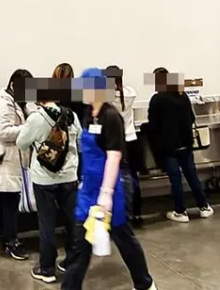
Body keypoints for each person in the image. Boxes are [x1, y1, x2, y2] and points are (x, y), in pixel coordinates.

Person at [61, 68, 156, 290]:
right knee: (80, 244)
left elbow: (114, 156)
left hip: (111, 187)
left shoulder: (111, 117)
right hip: (88, 189)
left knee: (123, 237)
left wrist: (106, 194)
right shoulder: (88, 114)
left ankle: (144, 283)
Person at [16, 86, 81, 283]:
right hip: (69, 177)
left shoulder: (36, 118)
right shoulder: (71, 116)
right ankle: (72, 262)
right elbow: (79, 140)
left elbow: (21, 143)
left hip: (44, 179)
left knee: (47, 224)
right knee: (72, 222)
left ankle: (47, 269)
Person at [148, 68, 213, 222]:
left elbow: (153, 124)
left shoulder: (157, 99)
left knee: (175, 179)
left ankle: (180, 211)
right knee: (192, 175)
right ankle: (203, 207)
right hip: (186, 144)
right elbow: (191, 118)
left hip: (169, 147)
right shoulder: (182, 96)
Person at [0, 69, 30, 261]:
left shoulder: (15, 101)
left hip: (9, 158)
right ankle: (10, 241)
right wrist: (28, 128)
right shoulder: (4, 103)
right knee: (10, 201)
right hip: (5, 158)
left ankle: (0, 237)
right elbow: (4, 132)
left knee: (6, 201)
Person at [107, 65, 144, 227]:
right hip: (132, 139)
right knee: (132, 177)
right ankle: (136, 212)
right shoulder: (130, 93)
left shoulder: (107, 97)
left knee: (115, 179)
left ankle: (120, 213)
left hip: (115, 143)